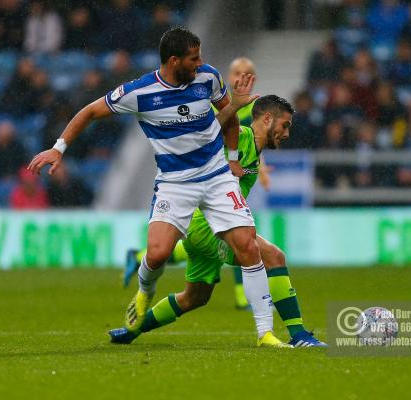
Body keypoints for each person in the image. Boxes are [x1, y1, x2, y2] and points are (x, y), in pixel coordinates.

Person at [28, 28, 284, 347]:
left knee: (247, 245)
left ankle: (265, 333)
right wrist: (59, 148)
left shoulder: (208, 78)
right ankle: (144, 294)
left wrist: (232, 158)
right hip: (175, 183)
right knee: (158, 253)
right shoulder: (139, 92)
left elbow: (229, 118)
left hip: (216, 175)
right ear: (174, 60)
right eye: (194, 58)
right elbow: (90, 111)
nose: (201, 63)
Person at [110, 94, 326, 347]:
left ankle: (133, 329)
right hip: (206, 225)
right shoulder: (241, 136)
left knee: (195, 297)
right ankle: (298, 335)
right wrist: (231, 104)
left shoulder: (255, 153)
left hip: (205, 227)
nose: (286, 133)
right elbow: (208, 130)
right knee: (273, 257)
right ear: (267, 119)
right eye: (285, 125)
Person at [122, 57, 272, 311]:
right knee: (233, 236)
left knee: (232, 236)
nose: (240, 76)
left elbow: (253, 144)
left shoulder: (251, 107)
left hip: (232, 178)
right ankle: (239, 296)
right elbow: (212, 133)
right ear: (229, 73)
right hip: (206, 177)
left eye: (246, 73)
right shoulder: (216, 104)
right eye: (236, 71)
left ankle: (139, 257)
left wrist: (261, 168)